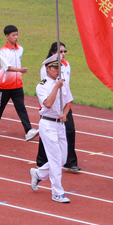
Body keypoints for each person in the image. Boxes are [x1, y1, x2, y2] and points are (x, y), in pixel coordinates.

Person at [29, 54, 72, 203]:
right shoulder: (42, 85)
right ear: (48, 69)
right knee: (54, 159)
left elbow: (67, 103)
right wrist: (56, 87)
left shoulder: (62, 83)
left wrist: (64, 114)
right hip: (47, 124)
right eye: (54, 68)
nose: (57, 70)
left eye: (59, 67)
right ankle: (57, 192)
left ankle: (39, 174)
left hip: (59, 124)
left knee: (63, 159)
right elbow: (47, 103)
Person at [0, 25, 39, 141]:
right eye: (13, 35)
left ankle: (28, 130)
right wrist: (19, 70)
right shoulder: (2, 51)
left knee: (21, 107)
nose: (16, 37)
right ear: (7, 36)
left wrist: (19, 73)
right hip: (5, 85)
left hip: (17, 84)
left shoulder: (20, 49)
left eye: (17, 34)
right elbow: (7, 67)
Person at [36, 41, 80, 173]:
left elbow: (67, 85)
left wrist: (67, 102)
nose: (63, 54)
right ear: (53, 53)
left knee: (70, 131)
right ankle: (42, 160)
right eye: (60, 51)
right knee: (48, 135)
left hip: (64, 103)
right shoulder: (46, 67)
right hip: (50, 106)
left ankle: (70, 162)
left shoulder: (67, 65)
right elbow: (47, 87)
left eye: (65, 51)